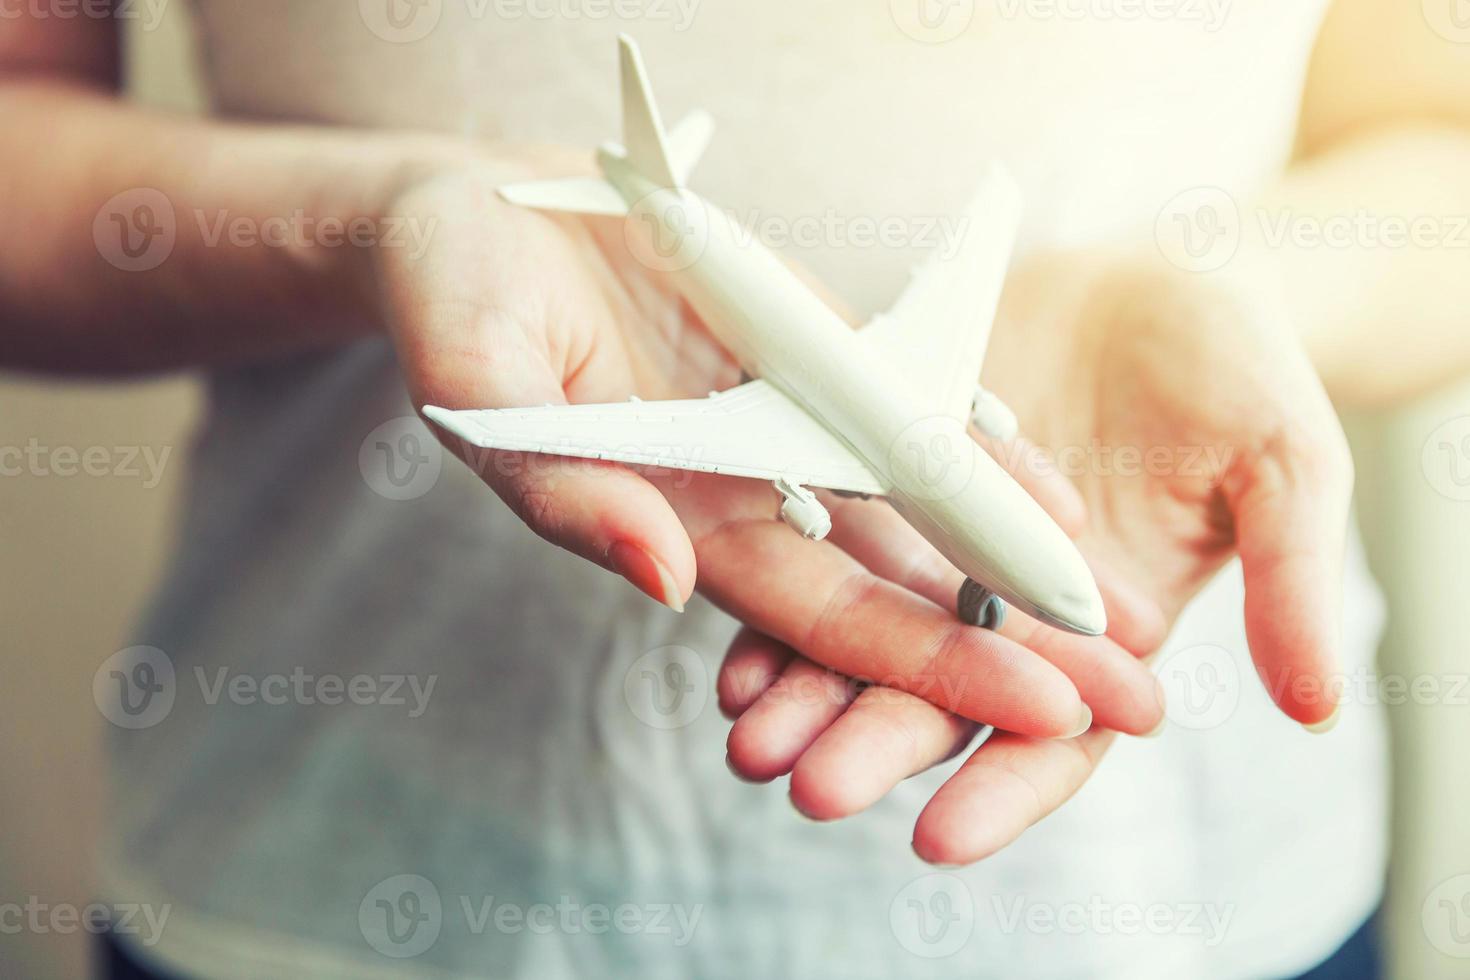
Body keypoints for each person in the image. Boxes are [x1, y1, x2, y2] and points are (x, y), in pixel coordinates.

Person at [4, 1, 1468, 976]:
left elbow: (1436, 141)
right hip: (319, 881)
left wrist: (1231, 286)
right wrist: (379, 220)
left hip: (1195, 907)